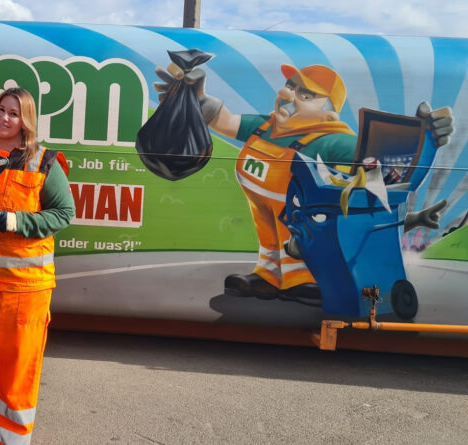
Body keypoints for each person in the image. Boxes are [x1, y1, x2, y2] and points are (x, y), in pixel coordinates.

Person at [155, 63, 453, 305]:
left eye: (306, 94)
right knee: (268, 237)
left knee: (295, 236)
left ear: (329, 111)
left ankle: (305, 279)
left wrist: (422, 140)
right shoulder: (267, 126)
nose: (288, 93)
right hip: (264, 211)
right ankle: (268, 276)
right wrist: (191, 99)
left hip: (302, 228)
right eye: (292, 86)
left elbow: (381, 172)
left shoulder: (333, 140)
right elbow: (226, 120)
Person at [0, 87, 75, 445]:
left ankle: (12, 442)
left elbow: (63, 213)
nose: (5, 118)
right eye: (1, 110)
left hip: (21, 288)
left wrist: (17, 222)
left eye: (15, 113)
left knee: (17, 372)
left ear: (26, 122)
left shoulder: (43, 162)